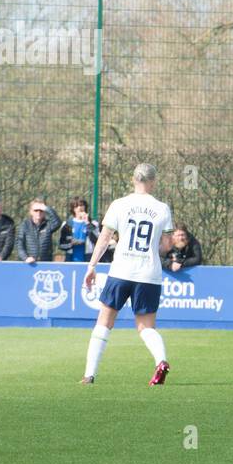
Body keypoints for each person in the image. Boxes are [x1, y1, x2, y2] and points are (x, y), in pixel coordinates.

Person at [80, 163, 175, 387]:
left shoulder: (120, 204)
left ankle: (89, 375)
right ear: (153, 182)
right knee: (146, 327)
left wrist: (91, 266)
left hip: (121, 270)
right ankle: (161, 362)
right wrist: (155, 247)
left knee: (104, 321)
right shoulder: (162, 208)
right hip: (149, 273)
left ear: (133, 180)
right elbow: (167, 244)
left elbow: (104, 238)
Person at [59, 198, 100, 263]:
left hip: (88, 258)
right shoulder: (67, 224)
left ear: (85, 207)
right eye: (76, 206)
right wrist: (71, 243)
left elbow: (97, 240)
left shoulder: (94, 223)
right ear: (73, 209)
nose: (79, 208)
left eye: (81, 205)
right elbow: (61, 245)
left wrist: (87, 223)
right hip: (71, 259)